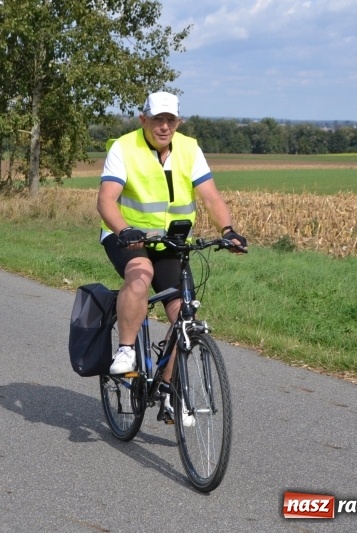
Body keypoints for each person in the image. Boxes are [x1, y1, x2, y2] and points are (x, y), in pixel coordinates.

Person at [97, 91, 247, 424]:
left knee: (184, 314)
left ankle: (167, 390)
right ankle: (126, 350)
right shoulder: (123, 148)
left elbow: (211, 196)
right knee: (140, 275)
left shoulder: (190, 149)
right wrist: (124, 230)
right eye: (157, 120)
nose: (164, 127)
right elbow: (106, 200)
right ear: (143, 120)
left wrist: (228, 230)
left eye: (171, 120)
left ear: (178, 122)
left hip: (171, 243)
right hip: (129, 237)